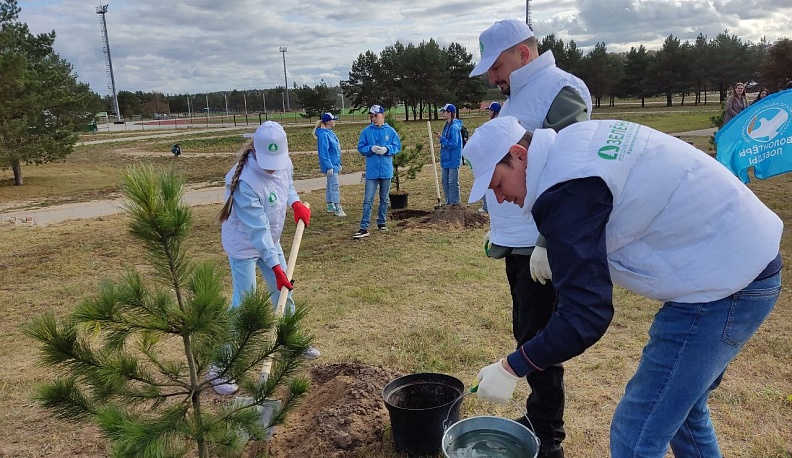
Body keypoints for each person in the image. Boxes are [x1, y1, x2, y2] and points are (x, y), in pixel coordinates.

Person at [465, 115, 783, 458]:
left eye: (497, 183)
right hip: (745, 254)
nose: (499, 197)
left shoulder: (567, 195)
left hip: (725, 285)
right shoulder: (575, 139)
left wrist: (513, 366)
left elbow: (585, 315)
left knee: (636, 433)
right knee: (683, 411)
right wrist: (547, 241)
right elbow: (599, 192)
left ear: (519, 154)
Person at [468, 18, 592, 458]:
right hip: (517, 238)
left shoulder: (561, 89)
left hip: (541, 243)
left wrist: (544, 240)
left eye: (496, 66)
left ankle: (549, 436)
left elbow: (571, 168)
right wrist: (498, 230)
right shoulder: (518, 95)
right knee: (526, 331)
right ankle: (539, 418)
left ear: (524, 52)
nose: (491, 77)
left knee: (539, 335)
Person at [214, 121, 319, 395]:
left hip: (269, 241)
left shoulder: (283, 162)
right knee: (244, 304)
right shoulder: (244, 182)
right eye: (268, 162)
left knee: (283, 293)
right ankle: (219, 367)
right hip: (245, 245)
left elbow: (287, 185)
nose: (273, 166)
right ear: (257, 152)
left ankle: (288, 339)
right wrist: (275, 265)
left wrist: (294, 203)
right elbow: (257, 230)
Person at [353, 105, 401, 239]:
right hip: (372, 171)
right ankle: (364, 226)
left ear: (382, 116)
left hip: (386, 170)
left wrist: (387, 149)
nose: (374, 119)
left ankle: (382, 222)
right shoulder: (366, 132)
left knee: (384, 198)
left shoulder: (390, 131)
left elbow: (397, 146)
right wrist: (371, 148)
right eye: (372, 116)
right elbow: (361, 147)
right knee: (368, 198)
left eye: (376, 116)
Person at [314, 112, 346, 217]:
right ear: (328, 122)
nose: (335, 121)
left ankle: (330, 205)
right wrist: (328, 166)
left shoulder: (329, 132)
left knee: (330, 184)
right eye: (333, 119)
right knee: (334, 186)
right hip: (331, 165)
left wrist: (338, 162)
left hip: (334, 163)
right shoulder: (324, 135)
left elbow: (335, 149)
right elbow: (324, 152)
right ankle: (338, 207)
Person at [434, 103, 463, 206]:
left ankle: (454, 204)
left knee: (452, 183)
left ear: (450, 113)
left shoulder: (454, 127)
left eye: (444, 111)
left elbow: (453, 144)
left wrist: (442, 139)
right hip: (446, 159)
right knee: (445, 182)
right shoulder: (447, 125)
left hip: (453, 159)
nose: (442, 113)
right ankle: (448, 203)